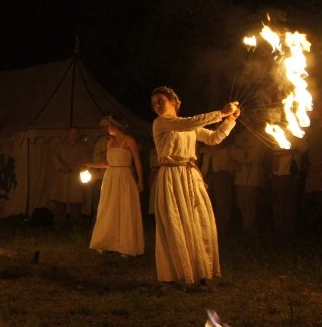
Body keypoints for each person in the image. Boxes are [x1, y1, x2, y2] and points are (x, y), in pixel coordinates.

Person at [150, 86, 239, 285]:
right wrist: (220, 113)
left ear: (173, 101)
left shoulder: (186, 125)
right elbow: (186, 124)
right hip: (171, 176)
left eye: (160, 101)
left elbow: (213, 138)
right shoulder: (161, 123)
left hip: (190, 175)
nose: (156, 105)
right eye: (154, 102)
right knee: (175, 222)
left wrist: (229, 120)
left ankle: (199, 270)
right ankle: (178, 273)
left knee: (198, 220)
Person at [85, 115, 145, 257]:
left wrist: (140, 181)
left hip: (124, 177)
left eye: (109, 126)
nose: (107, 129)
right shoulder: (110, 142)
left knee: (125, 209)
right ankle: (105, 242)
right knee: (109, 207)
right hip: (111, 178)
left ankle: (126, 245)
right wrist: (91, 165)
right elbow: (108, 163)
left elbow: (137, 161)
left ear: (115, 126)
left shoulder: (129, 141)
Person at [301, 100, 322, 232]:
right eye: (317, 110)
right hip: (314, 173)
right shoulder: (313, 130)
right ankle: (315, 239)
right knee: (312, 207)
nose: (320, 112)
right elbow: (303, 149)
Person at [50, 127, 90, 228]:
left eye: (75, 133)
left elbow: (85, 159)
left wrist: (71, 168)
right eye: (71, 133)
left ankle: (75, 223)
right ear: (68, 134)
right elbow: (55, 157)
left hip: (75, 177)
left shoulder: (84, 146)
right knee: (60, 198)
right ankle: (59, 222)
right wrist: (62, 167)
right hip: (62, 177)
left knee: (75, 200)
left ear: (78, 134)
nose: (73, 135)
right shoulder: (61, 145)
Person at [199, 139, 235, 235]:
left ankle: (223, 229)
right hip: (207, 175)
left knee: (222, 202)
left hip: (222, 175)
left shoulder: (228, 146)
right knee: (207, 202)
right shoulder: (208, 147)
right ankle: (208, 228)